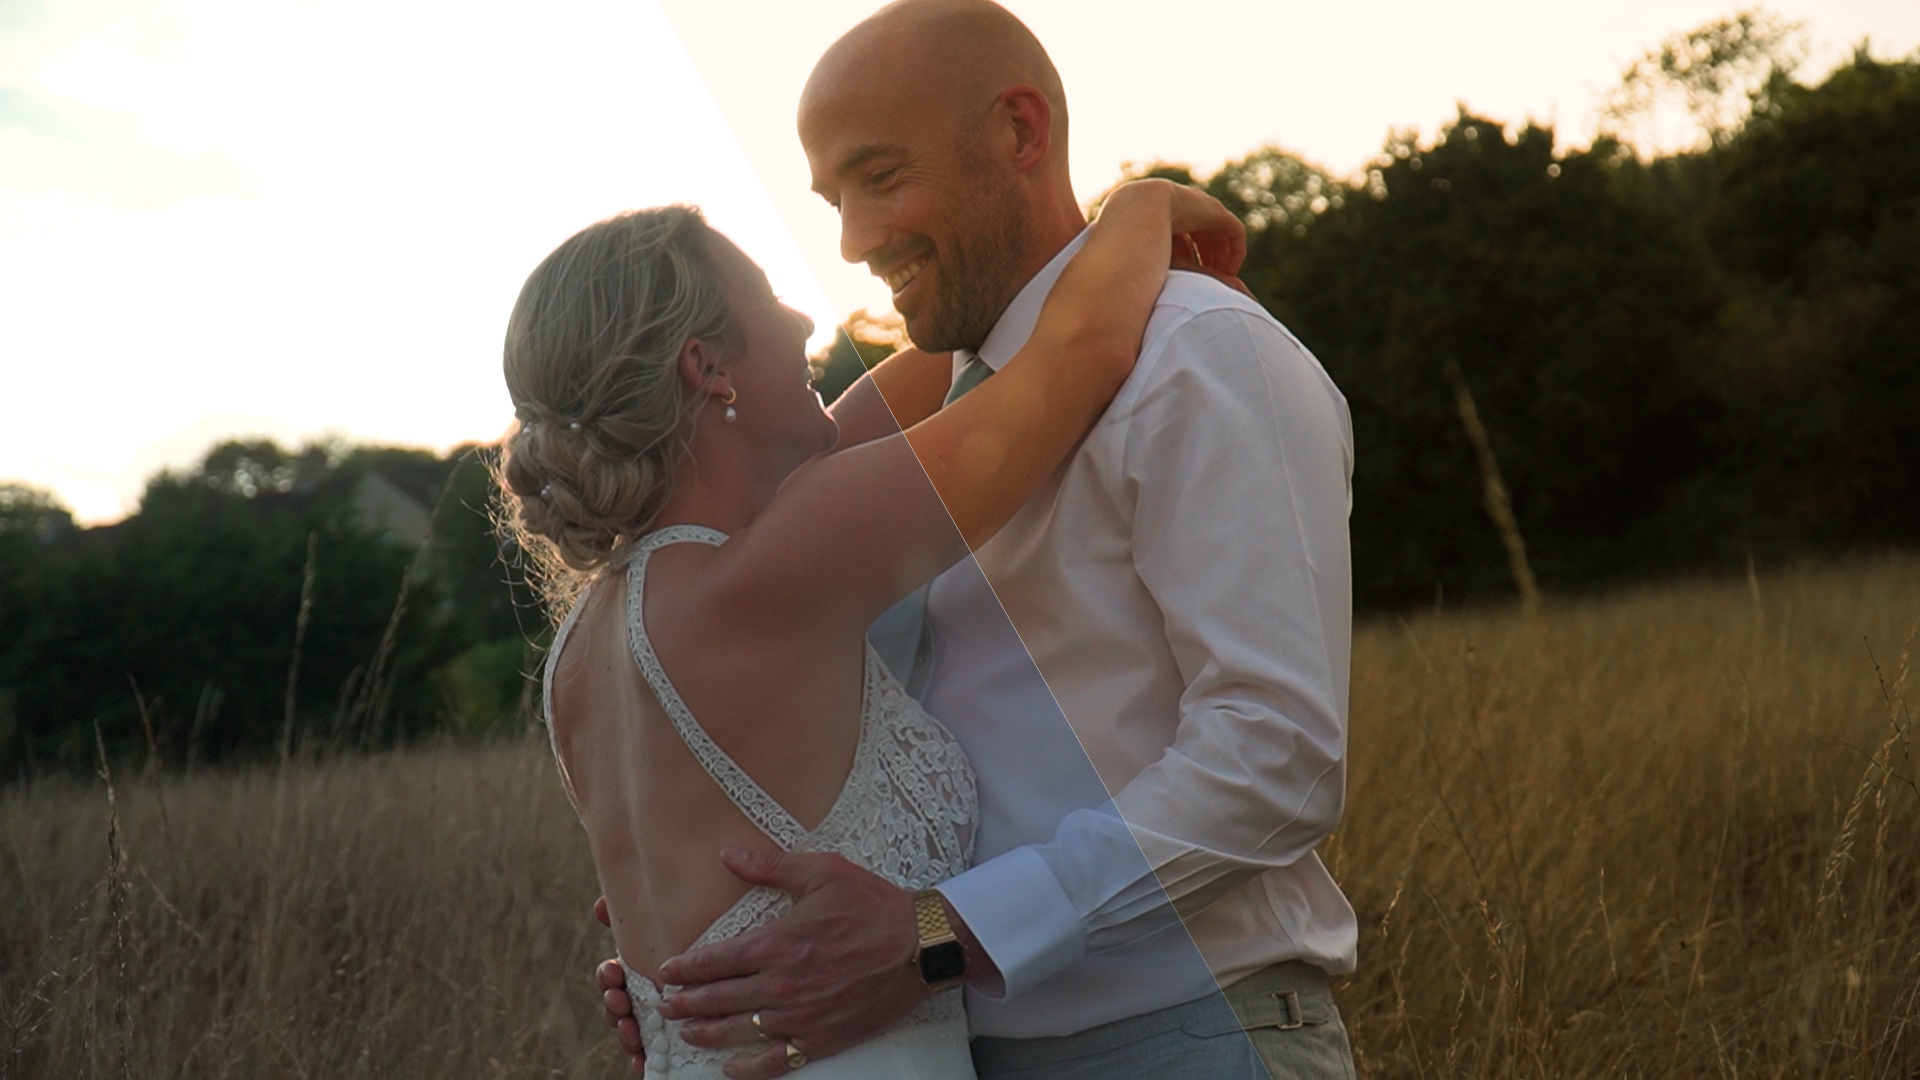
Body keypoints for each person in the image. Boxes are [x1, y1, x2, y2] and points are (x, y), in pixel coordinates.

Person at [599, 2, 1361, 1079]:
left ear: (1017, 131)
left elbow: (1278, 754)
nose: (856, 242)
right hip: (939, 1045)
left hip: (1183, 1037)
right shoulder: (906, 436)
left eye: (878, 176)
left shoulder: (1201, 357)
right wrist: (706, 949)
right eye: (834, 201)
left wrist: (936, 932)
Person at [502, 180, 1246, 1080]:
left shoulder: (591, 648)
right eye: (770, 296)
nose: (806, 324)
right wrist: (1147, 206)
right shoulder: (781, 568)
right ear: (707, 367)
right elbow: (1074, 356)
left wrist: (1047, 248)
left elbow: (956, 357)